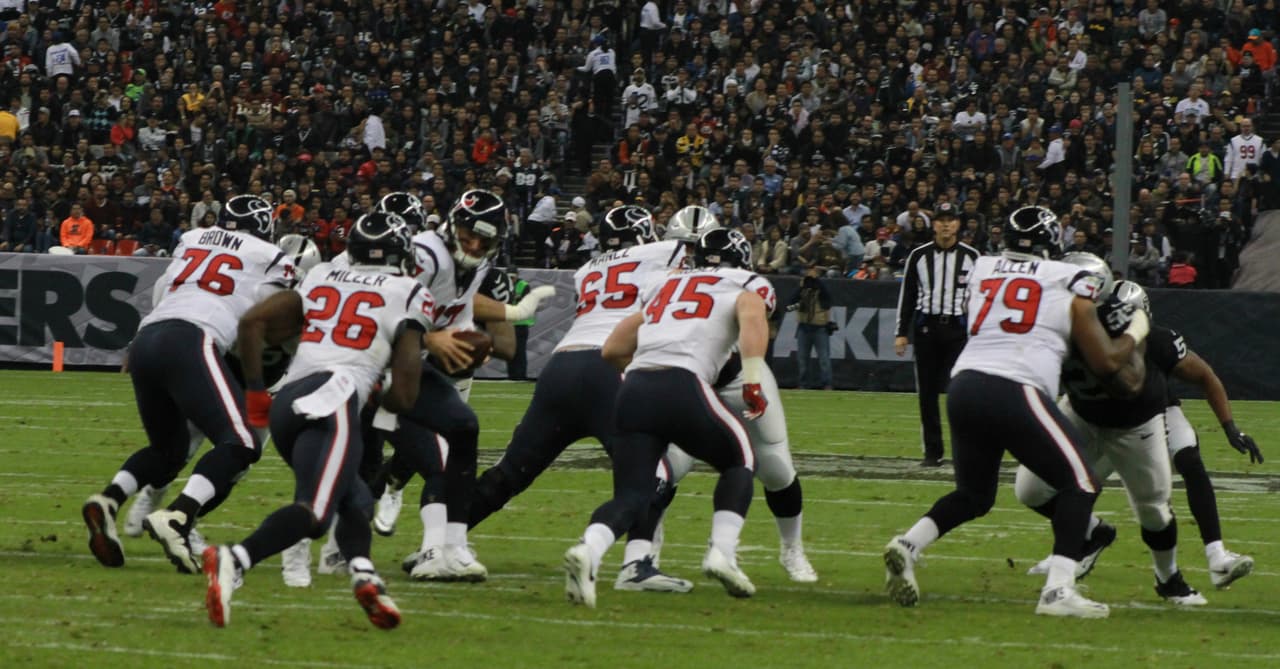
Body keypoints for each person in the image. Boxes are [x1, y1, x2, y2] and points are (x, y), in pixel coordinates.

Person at [883, 206, 1150, 619]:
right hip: (1015, 385)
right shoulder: (1067, 278)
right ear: (1051, 244)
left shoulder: (983, 267)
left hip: (965, 383)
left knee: (973, 495)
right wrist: (1136, 328)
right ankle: (1058, 591)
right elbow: (1107, 362)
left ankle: (908, 545)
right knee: (1080, 482)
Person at [204, 211, 430, 629]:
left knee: (356, 499)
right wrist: (380, 402)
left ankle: (365, 575)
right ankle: (236, 559)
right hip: (334, 397)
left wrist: (255, 393)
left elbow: (252, 322)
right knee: (317, 513)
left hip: (290, 399)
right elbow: (406, 393)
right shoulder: (409, 290)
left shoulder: (322, 274)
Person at [468, 205, 693, 592]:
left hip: (562, 366)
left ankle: (442, 538)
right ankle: (636, 565)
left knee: (511, 472)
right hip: (611, 368)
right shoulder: (664, 252)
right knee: (651, 474)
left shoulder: (589, 268)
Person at [81, 195, 295, 573]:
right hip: (193, 339)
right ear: (264, 226)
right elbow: (274, 315)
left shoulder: (193, 238)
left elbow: (164, 290)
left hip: (148, 339)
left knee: (169, 450)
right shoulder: (271, 257)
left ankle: (110, 500)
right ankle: (179, 516)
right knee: (242, 441)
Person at [564, 227, 772, 607]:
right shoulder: (743, 282)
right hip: (682, 382)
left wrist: (642, 374)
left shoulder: (667, 285)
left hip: (634, 388)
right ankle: (722, 553)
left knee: (632, 493)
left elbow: (612, 349)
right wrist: (753, 381)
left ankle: (588, 550)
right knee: (740, 458)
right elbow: (753, 314)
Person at [375, 189, 554, 583]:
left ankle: (450, 545)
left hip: (407, 367)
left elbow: (455, 319)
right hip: (371, 369)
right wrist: (428, 339)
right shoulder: (424, 254)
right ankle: (427, 549)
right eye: (468, 234)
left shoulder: (473, 269)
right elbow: (377, 307)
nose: (473, 245)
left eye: (483, 241)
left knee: (464, 428)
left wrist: (463, 340)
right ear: (452, 224)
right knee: (390, 464)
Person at [1015, 270, 1207, 606]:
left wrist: (1121, 340)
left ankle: (1169, 578)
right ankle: (1094, 532)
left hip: (1134, 424)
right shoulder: (1055, 318)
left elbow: (1128, 383)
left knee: (1154, 511)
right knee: (1031, 488)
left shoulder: (1119, 326)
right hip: (1081, 413)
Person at [892, 202, 980, 466]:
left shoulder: (973, 256)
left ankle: (965, 451)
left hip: (958, 329)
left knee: (961, 393)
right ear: (934, 224)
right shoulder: (918, 256)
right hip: (927, 328)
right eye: (941, 219)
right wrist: (901, 332)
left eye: (950, 219)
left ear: (958, 224)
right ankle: (933, 452)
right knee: (927, 393)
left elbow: (981, 296)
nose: (945, 224)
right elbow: (906, 295)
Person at [789, 266, 834, 389]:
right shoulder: (802, 291)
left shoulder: (822, 292)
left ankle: (827, 383)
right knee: (802, 359)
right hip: (804, 327)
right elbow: (790, 301)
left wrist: (817, 281)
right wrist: (802, 287)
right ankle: (803, 384)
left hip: (820, 328)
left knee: (824, 359)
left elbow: (828, 298)